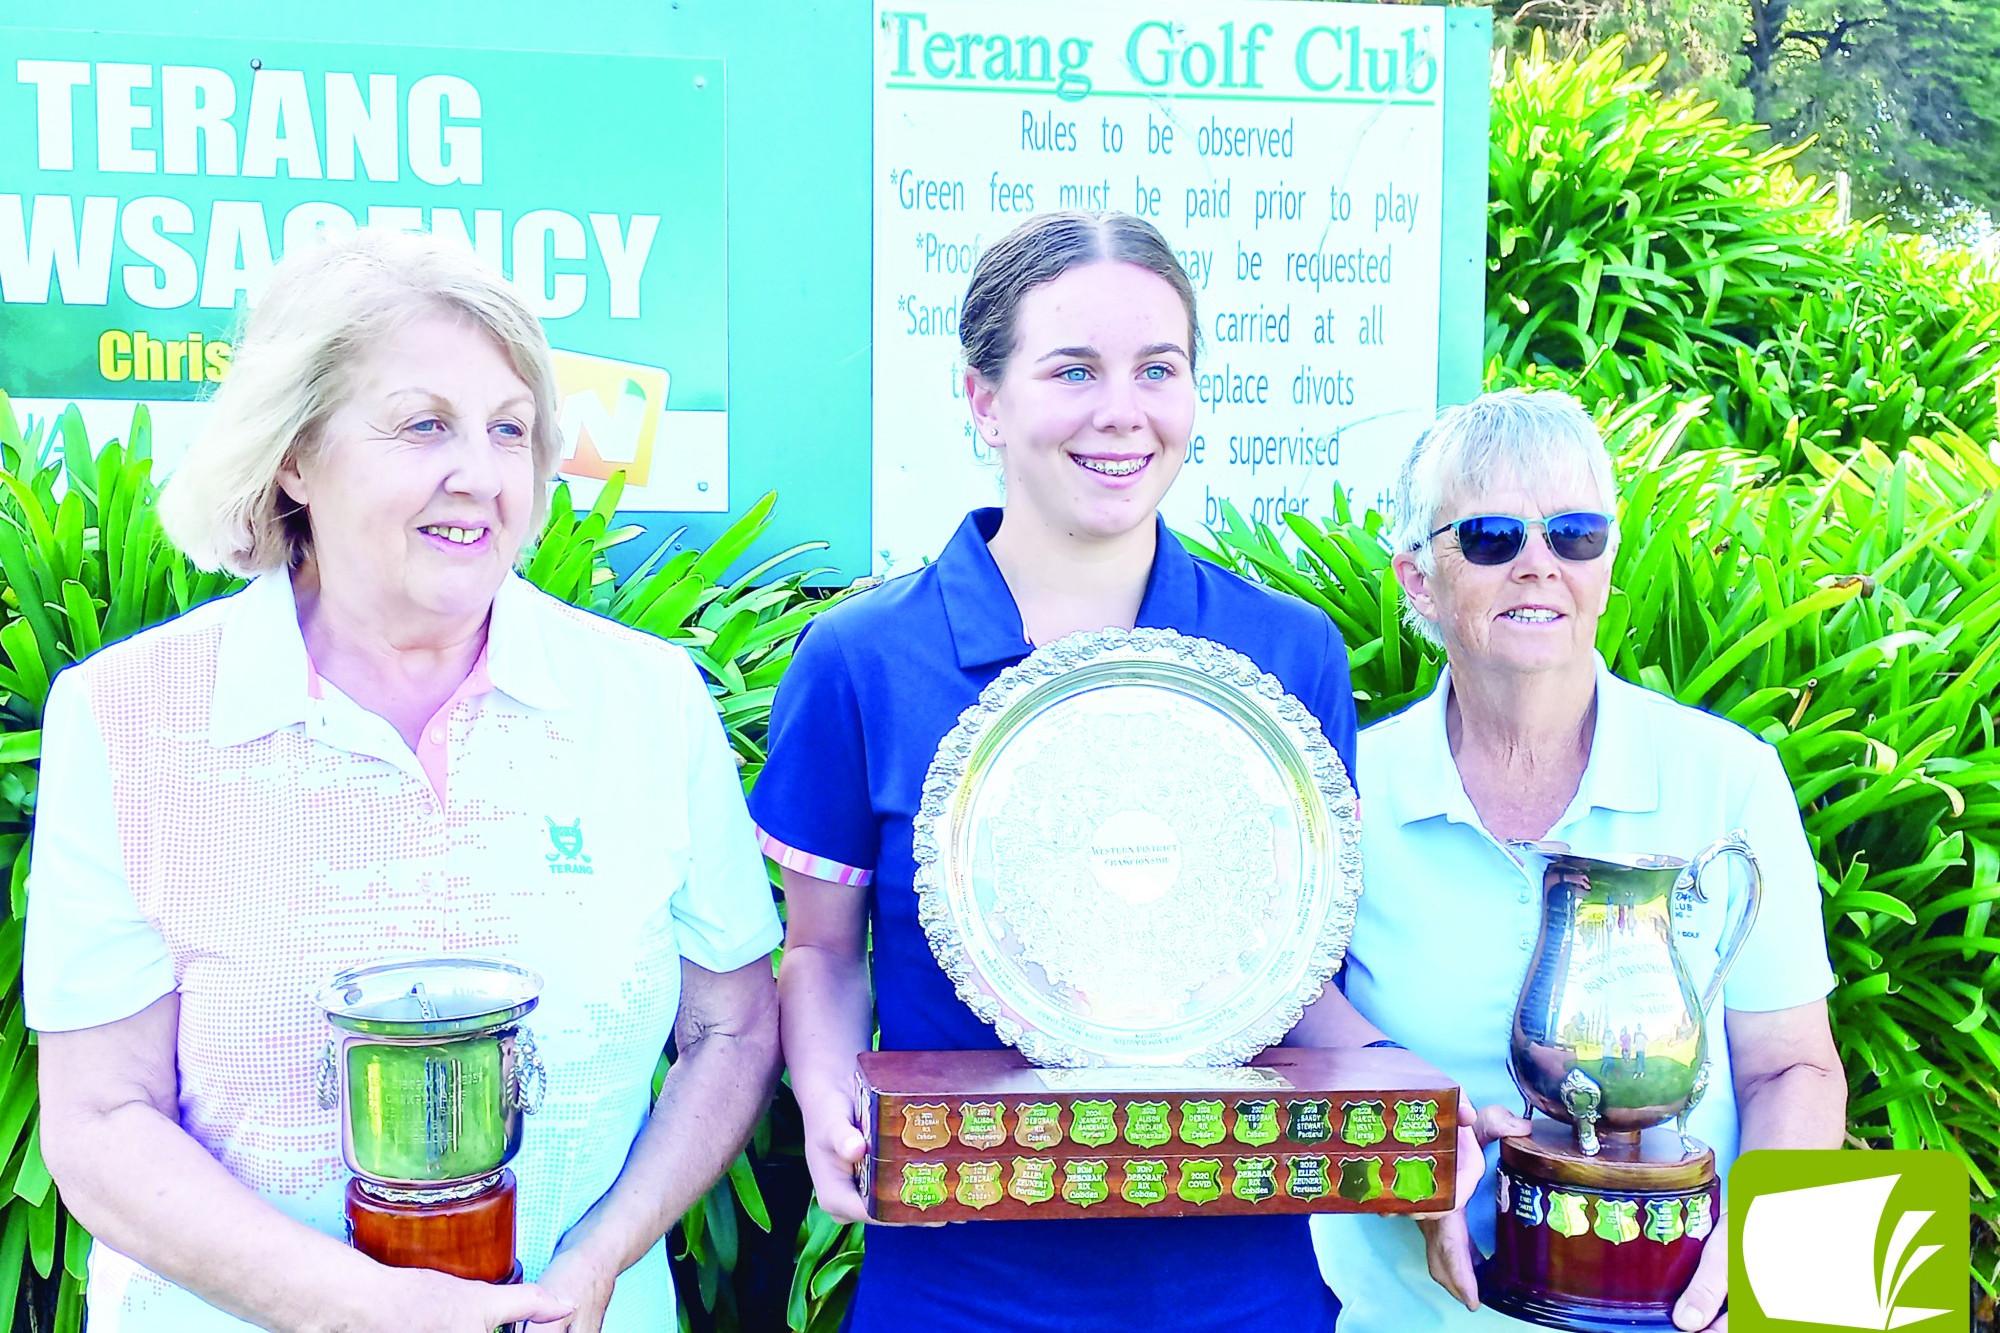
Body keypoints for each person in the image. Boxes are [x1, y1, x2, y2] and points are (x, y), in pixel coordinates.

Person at [26, 228, 782, 1333]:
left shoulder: (646, 702)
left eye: (509, 429)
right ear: (293, 453)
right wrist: (358, 1307)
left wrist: (601, 1257)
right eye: (423, 423)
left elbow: (734, 1027)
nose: (478, 473)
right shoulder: (129, 716)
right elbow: (99, 1117)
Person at [751, 210, 1415, 1330]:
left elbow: (1295, 978)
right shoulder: (862, 658)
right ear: (983, 399)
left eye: (1158, 369)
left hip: (1237, 1280)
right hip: (960, 1282)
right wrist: (826, 1093)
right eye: (1073, 370)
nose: (1122, 412)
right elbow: (820, 949)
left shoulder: (1282, 653)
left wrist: (1402, 1085)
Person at [1313, 389, 1847, 1333]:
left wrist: (1761, 1260)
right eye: (1487, 536)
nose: (1537, 565)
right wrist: (1413, 1128)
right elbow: (1299, 1054)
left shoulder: (1728, 778)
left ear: (1604, 565)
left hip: (1685, 1313)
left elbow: (1793, 1070)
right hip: (1417, 1311)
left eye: (1573, 533)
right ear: (1416, 579)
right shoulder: (1347, 796)